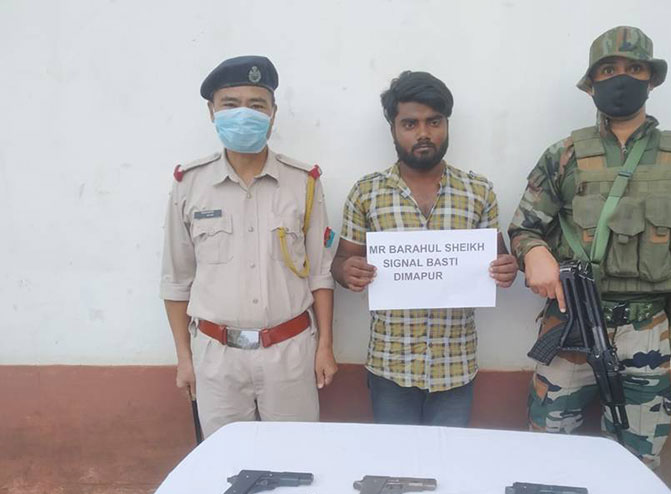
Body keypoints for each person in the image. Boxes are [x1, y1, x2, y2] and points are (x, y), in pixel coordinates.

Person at [508, 26, 671, 467]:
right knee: (545, 453)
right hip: (570, 322)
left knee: (638, 461)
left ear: (651, 79)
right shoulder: (564, 155)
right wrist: (533, 253)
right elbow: (523, 228)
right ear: (591, 84)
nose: (622, 78)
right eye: (609, 70)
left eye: (634, 69)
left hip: (648, 327)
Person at [160, 55, 337, 438]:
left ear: (273, 114)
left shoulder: (303, 182)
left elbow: (321, 275)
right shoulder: (189, 184)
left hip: (289, 353)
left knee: (295, 458)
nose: (244, 114)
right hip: (216, 357)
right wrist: (184, 358)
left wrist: (325, 346)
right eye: (230, 104)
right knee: (226, 462)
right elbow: (176, 280)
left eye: (257, 105)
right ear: (212, 111)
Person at [333, 71, 517, 426]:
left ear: (446, 124)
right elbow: (342, 261)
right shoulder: (366, 192)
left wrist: (506, 268)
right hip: (390, 364)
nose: (423, 133)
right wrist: (346, 271)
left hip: (455, 365)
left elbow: (498, 258)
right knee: (396, 457)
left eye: (434, 121)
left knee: (449, 456)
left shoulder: (478, 191)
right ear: (393, 129)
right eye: (410, 123)